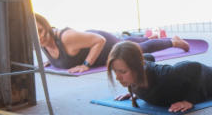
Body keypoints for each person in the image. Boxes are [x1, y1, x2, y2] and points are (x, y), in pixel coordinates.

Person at [108, 41, 212, 114]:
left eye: (122, 72)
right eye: (116, 71)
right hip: (192, 76)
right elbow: (148, 57)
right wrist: (134, 88)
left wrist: (189, 99)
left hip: (205, 82)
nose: (118, 77)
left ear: (136, 67)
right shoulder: (138, 74)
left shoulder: (166, 76)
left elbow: (194, 68)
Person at [34, 13, 189, 74]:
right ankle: (153, 36)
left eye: (41, 31)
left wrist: (86, 64)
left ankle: (173, 41)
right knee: (126, 41)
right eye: (34, 33)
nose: (39, 37)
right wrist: (53, 60)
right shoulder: (40, 41)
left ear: (47, 25)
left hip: (103, 44)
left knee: (137, 50)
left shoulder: (67, 37)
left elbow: (99, 40)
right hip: (91, 40)